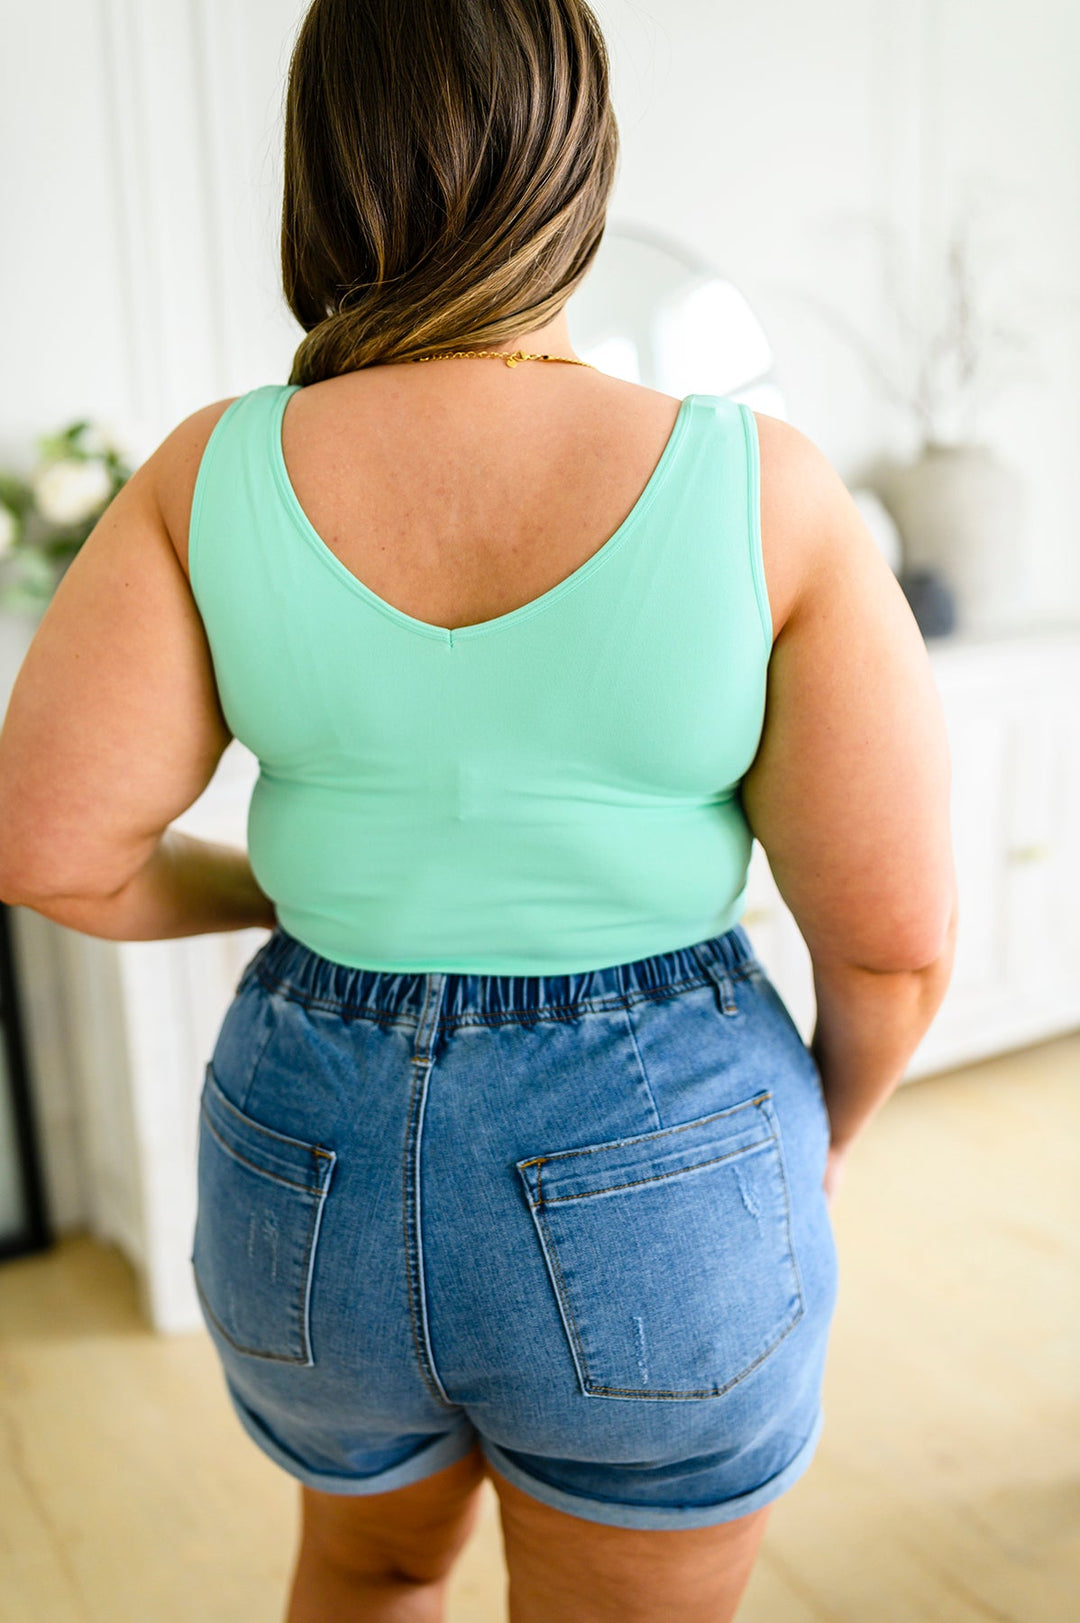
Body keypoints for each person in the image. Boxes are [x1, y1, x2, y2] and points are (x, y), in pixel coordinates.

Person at [0, 0, 957, 1618]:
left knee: (365, 1572)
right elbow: (895, 942)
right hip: (663, 1153)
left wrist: (279, 895)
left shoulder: (203, 474)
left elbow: (50, 849)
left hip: (304, 1155)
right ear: (578, 162)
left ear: (324, 170)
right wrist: (833, 1132)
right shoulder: (761, 486)